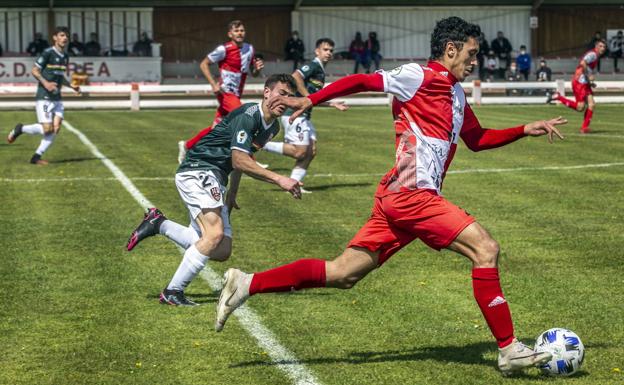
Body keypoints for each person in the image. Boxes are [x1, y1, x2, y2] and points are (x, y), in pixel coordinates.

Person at [215, 16, 566, 375]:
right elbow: (363, 80)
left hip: (400, 196)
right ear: (451, 49)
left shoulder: (457, 93)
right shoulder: (420, 75)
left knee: (342, 273)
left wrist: (526, 128)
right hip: (412, 194)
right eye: (471, 53)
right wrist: (313, 99)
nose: (475, 61)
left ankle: (246, 283)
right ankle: (509, 349)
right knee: (485, 248)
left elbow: (476, 140)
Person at [126, 74, 303, 306]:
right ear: (266, 92)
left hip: (215, 176)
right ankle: (172, 292)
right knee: (214, 234)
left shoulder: (273, 127)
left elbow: (244, 156)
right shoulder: (249, 116)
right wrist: (280, 179)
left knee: (221, 249)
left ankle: (159, 223)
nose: (285, 100)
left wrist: (232, 193)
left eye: (290, 96)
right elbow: (239, 160)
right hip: (198, 169)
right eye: (281, 93)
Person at [262, 38, 348, 192]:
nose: (329, 53)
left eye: (331, 50)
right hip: (295, 114)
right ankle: (262, 144)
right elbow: (295, 77)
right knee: (299, 152)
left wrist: (332, 104)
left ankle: (294, 185)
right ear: (317, 51)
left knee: (310, 152)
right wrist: (309, 98)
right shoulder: (313, 66)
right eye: (325, 49)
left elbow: (312, 98)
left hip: (305, 116)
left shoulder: (320, 70)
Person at [177, 20, 264, 163]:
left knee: (216, 128)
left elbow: (253, 73)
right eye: (236, 31)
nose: (240, 33)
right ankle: (249, 159)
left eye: (242, 30)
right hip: (225, 93)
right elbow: (204, 63)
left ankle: (187, 145)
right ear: (230, 34)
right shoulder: (224, 49)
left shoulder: (249, 49)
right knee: (244, 119)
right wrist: (213, 84)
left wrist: (257, 70)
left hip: (235, 94)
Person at [7, 27, 80, 165]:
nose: (65, 38)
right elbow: (35, 71)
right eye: (62, 35)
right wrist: (45, 83)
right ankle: (20, 129)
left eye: (66, 36)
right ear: (55, 37)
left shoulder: (65, 56)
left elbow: (59, 76)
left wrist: (71, 86)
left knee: (56, 128)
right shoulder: (47, 53)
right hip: (45, 97)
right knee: (48, 129)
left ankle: (36, 157)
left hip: (57, 98)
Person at [547, 39, 607, 133]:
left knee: (591, 104)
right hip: (579, 82)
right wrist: (589, 76)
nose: (602, 48)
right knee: (580, 107)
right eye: (600, 46)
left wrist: (590, 82)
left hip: (584, 82)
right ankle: (559, 97)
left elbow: (586, 68)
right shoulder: (593, 54)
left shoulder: (596, 55)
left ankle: (584, 128)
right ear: (596, 46)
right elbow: (583, 63)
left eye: (604, 47)